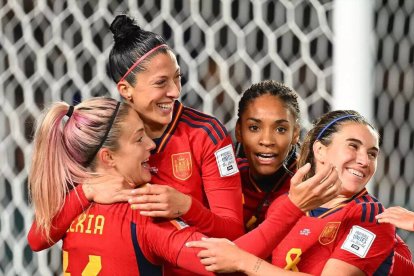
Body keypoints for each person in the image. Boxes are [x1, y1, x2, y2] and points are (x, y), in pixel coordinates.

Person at [188, 110, 413, 275]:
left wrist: (244, 262)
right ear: (320, 150)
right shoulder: (283, 205)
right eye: (353, 146)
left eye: (372, 154)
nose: (364, 161)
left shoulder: (370, 216)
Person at [28, 98, 213, 275]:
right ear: (108, 157)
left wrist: (86, 191)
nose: (151, 144)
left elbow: (36, 240)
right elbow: (224, 264)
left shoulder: (71, 209)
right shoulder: (142, 214)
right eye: (139, 138)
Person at [235, 80, 300, 231]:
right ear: (239, 131)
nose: (267, 141)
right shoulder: (221, 177)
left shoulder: (312, 183)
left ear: (295, 133)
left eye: (280, 129)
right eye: (254, 127)